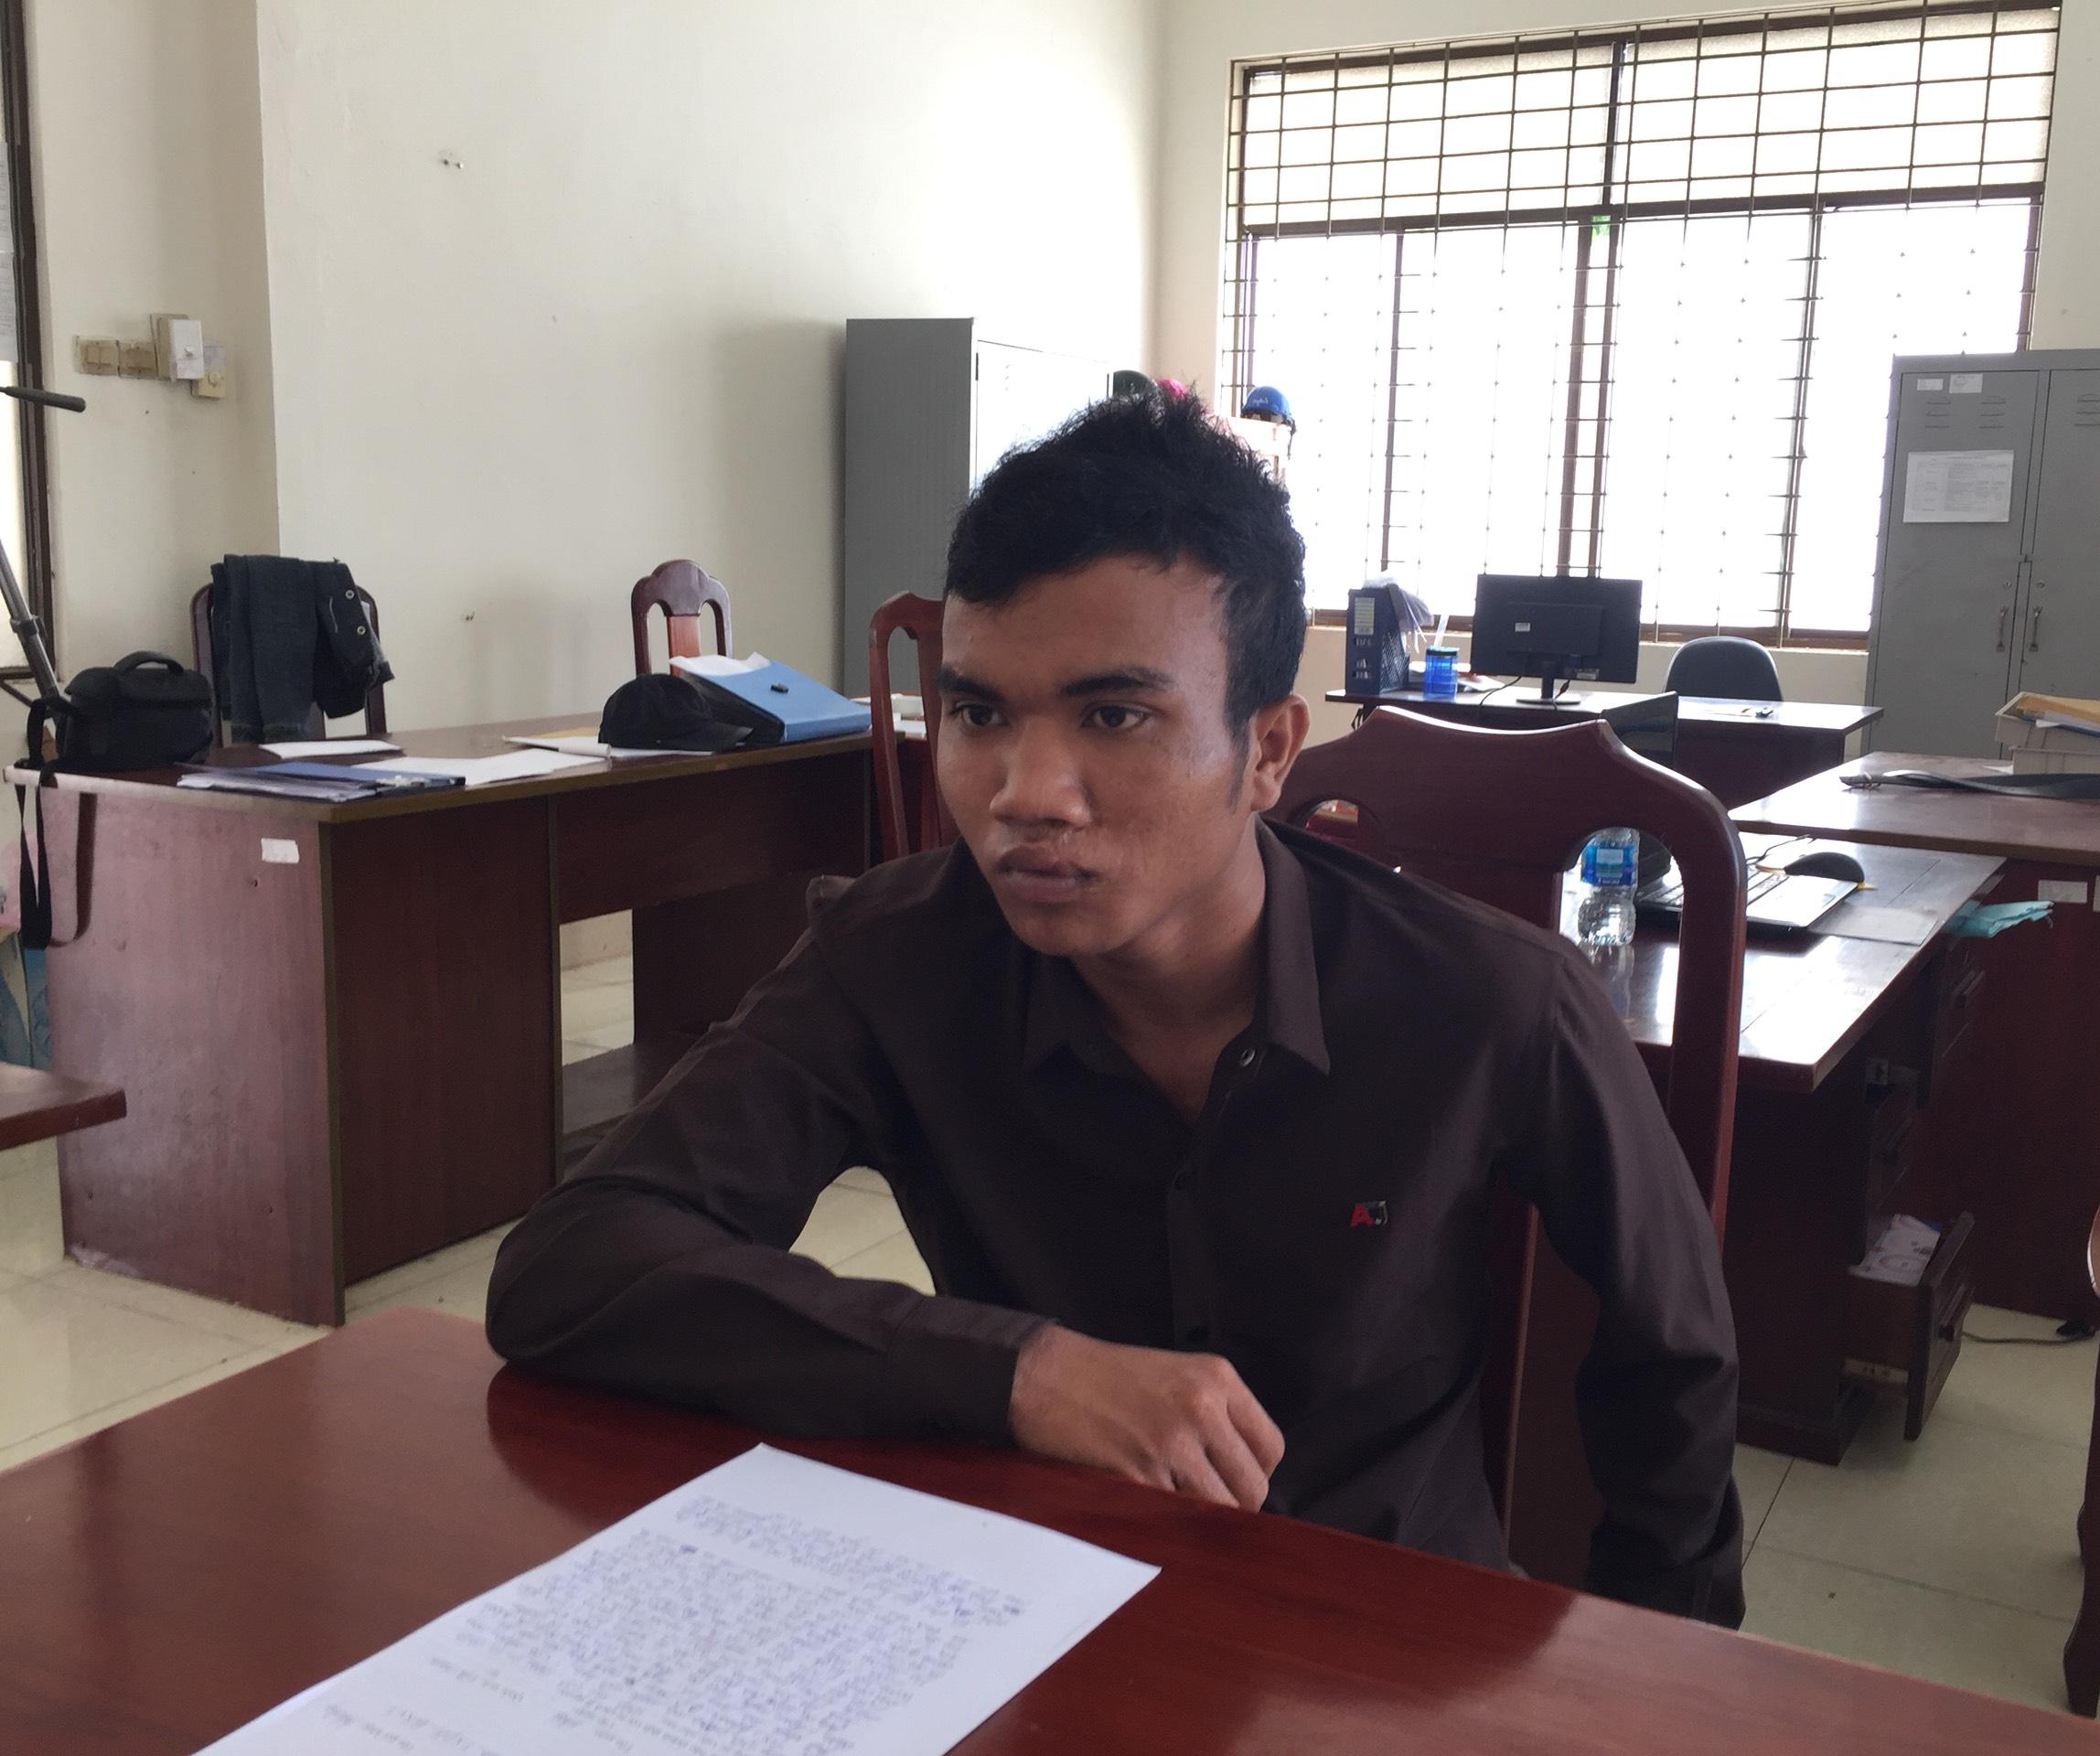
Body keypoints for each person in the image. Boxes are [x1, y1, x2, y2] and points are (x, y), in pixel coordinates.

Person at [486, 391, 1745, 1624]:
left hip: (1382, 1636)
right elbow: (570, 1265)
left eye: (1115, 715)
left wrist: (1663, 1673)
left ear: (1268, 750)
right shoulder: (893, 960)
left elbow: (1674, 1356)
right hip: (1037, 1610)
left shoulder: (1489, 1000)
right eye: (979, 712)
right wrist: (1019, 1370)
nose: (1026, 793)